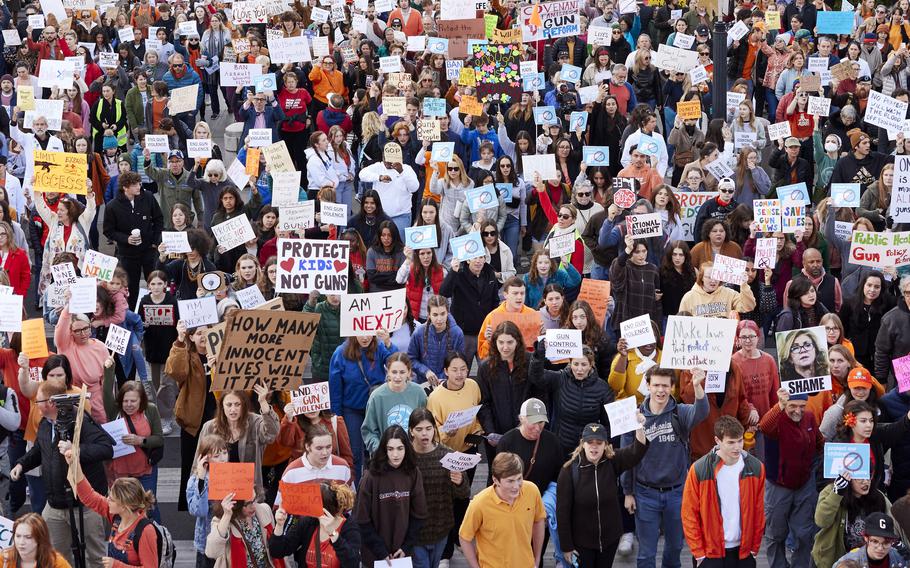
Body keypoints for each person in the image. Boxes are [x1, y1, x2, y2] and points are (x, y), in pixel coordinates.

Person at [10, 380, 114, 568]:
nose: (36, 404)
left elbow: (106, 448)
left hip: (86, 505)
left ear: (50, 402)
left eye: (38, 400)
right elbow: (39, 449)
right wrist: (21, 464)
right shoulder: (44, 423)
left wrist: (77, 450)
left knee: (95, 556)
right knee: (53, 557)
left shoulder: (80, 420)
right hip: (55, 504)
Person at [622, 367, 709, 568]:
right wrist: (627, 492)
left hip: (677, 492)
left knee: (675, 548)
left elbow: (702, 412)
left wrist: (697, 386)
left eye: (665, 386)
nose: (660, 390)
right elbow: (626, 458)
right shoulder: (635, 417)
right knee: (646, 552)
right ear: (648, 386)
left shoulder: (680, 412)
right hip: (645, 492)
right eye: (656, 385)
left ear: (672, 387)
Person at [558, 419, 649, 568]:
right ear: (582, 443)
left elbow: (637, 451)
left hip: (609, 540)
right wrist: (566, 546)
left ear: (605, 445)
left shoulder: (612, 461)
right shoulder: (568, 471)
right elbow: (562, 513)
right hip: (582, 543)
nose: (594, 447)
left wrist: (639, 426)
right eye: (590, 442)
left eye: (599, 443)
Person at [681, 416, 765, 567]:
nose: (737, 447)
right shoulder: (699, 469)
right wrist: (699, 554)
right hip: (710, 553)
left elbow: (759, 511)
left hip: (743, 552)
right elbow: (689, 514)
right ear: (717, 441)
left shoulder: (756, 467)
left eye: (740, 441)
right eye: (731, 442)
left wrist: (754, 548)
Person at [759, 387, 825, 568]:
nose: (798, 410)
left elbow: (820, 442)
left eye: (802, 406)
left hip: (804, 484)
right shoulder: (776, 418)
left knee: (805, 532)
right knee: (775, 533)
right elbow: (764, 426)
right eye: (793, 406)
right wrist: (779, 405)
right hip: (778, 485)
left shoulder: (809, 417)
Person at [64, 447, 160, 568]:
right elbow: (89, 496)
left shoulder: (146, 531)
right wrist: (74, 465)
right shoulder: (117, 516)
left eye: (112, 499)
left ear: (125, 505)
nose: (107, 500)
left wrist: (116, 565)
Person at [328, 332, 396, 482]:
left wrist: (388, 344)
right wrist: (337, 417)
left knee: (379, 449)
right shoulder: (340, 353)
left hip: (376, 409)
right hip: (352, 410)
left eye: (369, 333)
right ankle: (357, 491)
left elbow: (397, 363)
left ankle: (379, 487)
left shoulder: (379, 347)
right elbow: (335, 390)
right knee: (355, 454)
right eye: (361, 333)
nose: (365, 338)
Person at [355, 424, 427, 566]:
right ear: (384, 450)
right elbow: (361, 520)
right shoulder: (371, 477)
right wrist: (381, 551)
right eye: (390, 449)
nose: (395, 454)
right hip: (374, 555)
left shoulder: (413, 473)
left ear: (406, 448)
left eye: (400, 448)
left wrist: (406, 547)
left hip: (403, 555)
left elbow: (419, 516)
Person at [459, 452, 546, 568]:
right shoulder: (480, 503)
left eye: (519, 479)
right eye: (510, 481)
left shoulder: (532, 491)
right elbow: (464, 537)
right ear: (495, 480)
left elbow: (538, 520)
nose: (516, 486)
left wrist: (537, 558)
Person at [408, 408, 471, 567]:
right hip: (414, 531)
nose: (424, 434)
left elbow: (464, 494)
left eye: (429, 429)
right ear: (411, 431)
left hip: (441, 528)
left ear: (434, 429)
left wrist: (459, 482)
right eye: (419, 429)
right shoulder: (405, 457)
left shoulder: (448, 455)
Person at [194, 386, 279, 503]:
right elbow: (198, 461)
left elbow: (271, 434)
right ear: (222, 406)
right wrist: (197, 486)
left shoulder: (255, 422)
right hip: (218, 491)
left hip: (249, 492)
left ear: (244, 405)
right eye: (229, 405)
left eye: (237, 404)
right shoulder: (209, 427)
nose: (233, 410)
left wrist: (263, 403)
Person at [529, 341, 614, 457]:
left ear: (591, 365)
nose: (579, 369)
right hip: (561, 445)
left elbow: (608, 423)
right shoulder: (560, 379)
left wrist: (599, 446)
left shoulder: (602, 388)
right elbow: (536, 377)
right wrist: (539, 354)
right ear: (570, 363)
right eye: (576, 364)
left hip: (588, 449)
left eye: (584, 365)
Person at [813, 474, 905, 567]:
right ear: (848, 478)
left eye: (868, 477)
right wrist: (836, 494)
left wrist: (895, 542)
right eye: (859, 478)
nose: (865, 481)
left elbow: (894, 523)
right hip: (836, 557)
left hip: (872, 557)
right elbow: (822, 521)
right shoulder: (832, 490)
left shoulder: (878, 496)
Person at [102, 170, 164, 302]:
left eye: (139, 183)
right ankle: (132, 315)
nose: (139, 187)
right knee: (131, 287)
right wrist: (126, 239)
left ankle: (153, 311)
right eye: (135, 185)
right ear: (125, 187)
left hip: (149, 250)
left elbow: (158, 219)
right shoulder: (112, 206)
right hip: (127, 254)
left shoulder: (148, 197)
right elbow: (108, 231)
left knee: (154, 283)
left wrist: (155, 241)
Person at [269, 481, 361, 568]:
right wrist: (279, 525)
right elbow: (278, 551)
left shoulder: (349, 528)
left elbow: (352, 564)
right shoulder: (309, 522)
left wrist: (333, 534)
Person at [361, 353, 427, 456]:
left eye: (402, 372)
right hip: (385, 457)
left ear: (409, 373)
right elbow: (369, 430)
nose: (397, 377)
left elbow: (426, 423)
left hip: (413, 454)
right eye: (394, 372)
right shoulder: (377, 397)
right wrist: (380, 450)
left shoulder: (418, 393)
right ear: (388, 372)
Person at [205, 492, 282, 567]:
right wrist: (227, 515)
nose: (253, 507)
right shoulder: (221, 521)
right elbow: (212, 553)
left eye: (254, 500)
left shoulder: (265, 509)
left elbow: (276, 545)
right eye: (247, 504)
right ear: (234, 505)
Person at [875, 275, 910, 389]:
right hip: (903, 379)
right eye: (908, 293)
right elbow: (881, 352)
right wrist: (882, 380)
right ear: (903, 294)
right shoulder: (891, 319)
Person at [834, 512, 907, 566]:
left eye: (886, 542)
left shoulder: (900, 557)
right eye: (875, 541)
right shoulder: (848, 562)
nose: (880, 548)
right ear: (866, 538)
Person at [0, 513, 71, 568]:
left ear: (40, 538)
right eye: (18, 536)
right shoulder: (4, 560)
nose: (21, 542)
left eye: (28, 537)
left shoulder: (56, 563)